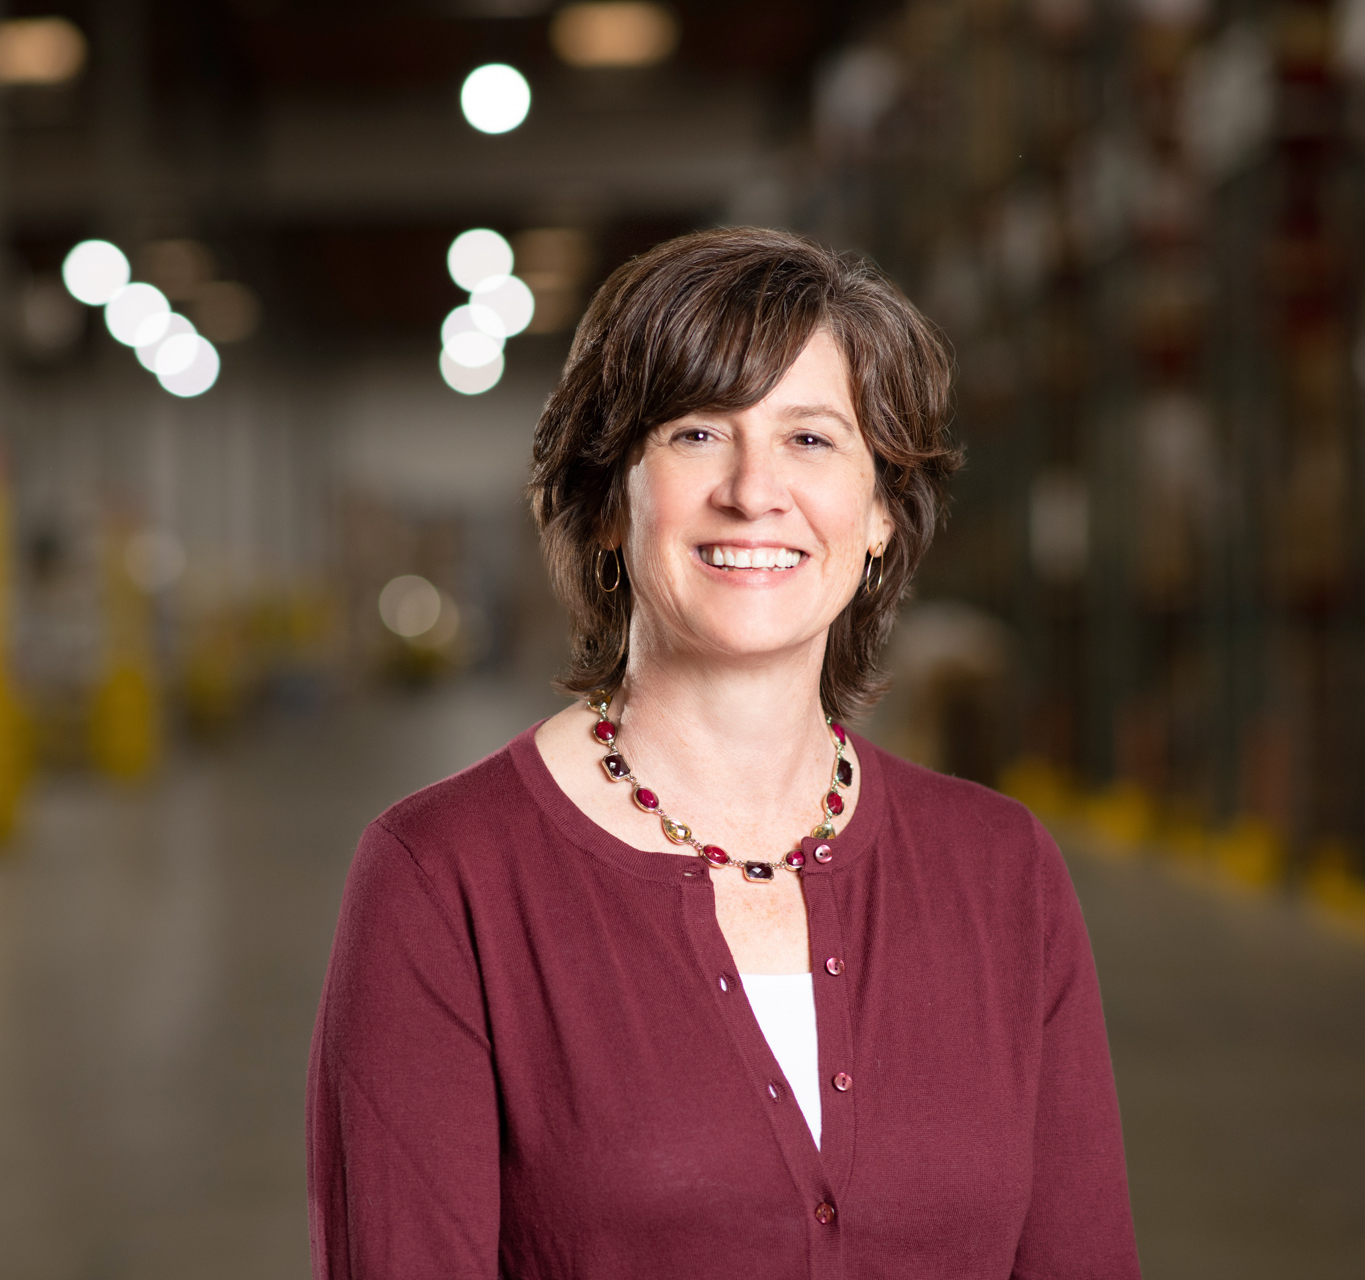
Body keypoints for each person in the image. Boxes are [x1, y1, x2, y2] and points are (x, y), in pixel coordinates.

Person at [308, 228, 1140, 1279]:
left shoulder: (1003, 870)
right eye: (698, 434)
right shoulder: (443, 877)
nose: (755, 491)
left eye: (812, 438)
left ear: (881, 510)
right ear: (609, 500)